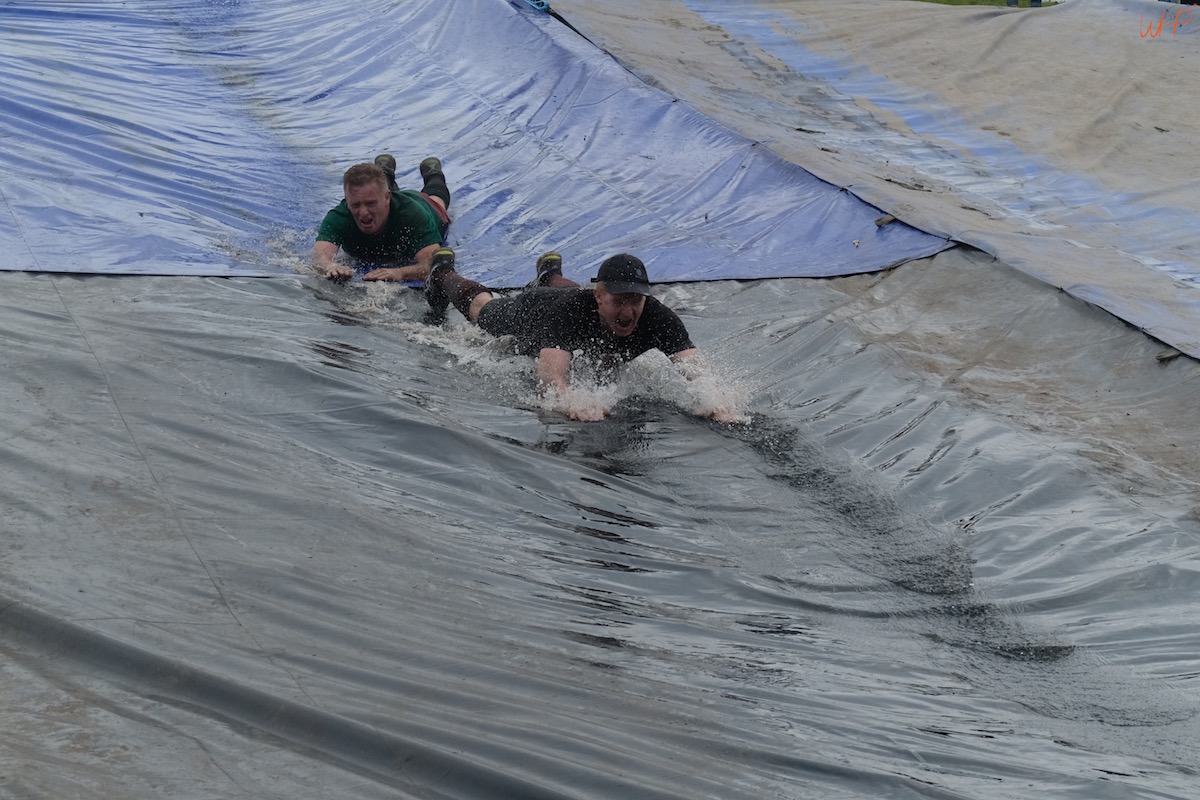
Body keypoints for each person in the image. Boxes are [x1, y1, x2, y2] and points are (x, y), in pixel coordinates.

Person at [423, 248, 739, 423]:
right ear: (600, 296)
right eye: (619, 301)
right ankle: (442, 272)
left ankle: (549, 274)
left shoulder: (657, 316)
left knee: (571, 293)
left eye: (635, 300)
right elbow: (549, 375)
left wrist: (718, 401)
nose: (628, 312)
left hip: (572, 298)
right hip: (535, 313)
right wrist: (572, 401)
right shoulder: (572, 311)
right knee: (483, 311)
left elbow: (694, 367)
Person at [312, 154, 451, 282]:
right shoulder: (339, 216)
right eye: (355, 205)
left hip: (423, 203)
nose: (363, 212)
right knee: (375, 191)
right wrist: (330, 266)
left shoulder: (412, 214)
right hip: (385, 200)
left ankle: (433, 174)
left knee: (437, 199)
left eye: (370, 203)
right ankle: (384, 172)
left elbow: (432, 264)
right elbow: (319, 257)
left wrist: (400, 273)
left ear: (387, 198)